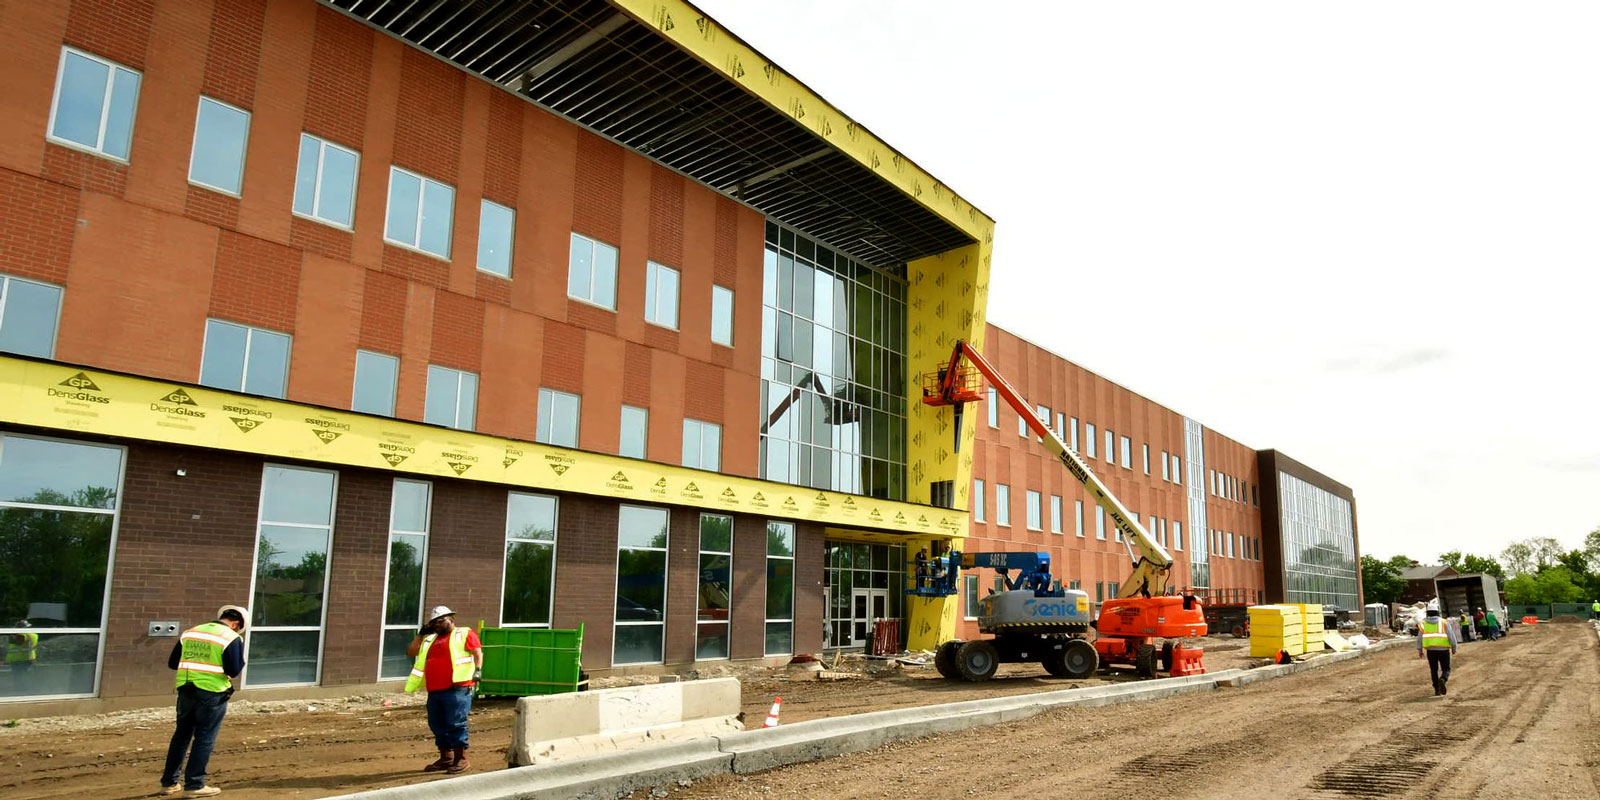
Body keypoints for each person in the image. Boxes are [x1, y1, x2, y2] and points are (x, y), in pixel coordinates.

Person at [160, 605, 247, 798]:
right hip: (212, 692)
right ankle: (195, 784)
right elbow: (233, 669)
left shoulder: (190, 632)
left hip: (185, 690)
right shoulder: (231, 637)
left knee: (181, 736)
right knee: (204, 737)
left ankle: (169, 783)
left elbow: (173, 663)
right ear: (236, 624)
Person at [405, 606, 483, 774]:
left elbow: (477, 652)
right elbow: (411, 652)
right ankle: (446, 757)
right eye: (434, 623)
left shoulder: (463, 633)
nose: (438, 625)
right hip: (435, 689)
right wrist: (421, 634)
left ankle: (461, 758)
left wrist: (478, 670)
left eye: (441, 621)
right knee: (437, 723)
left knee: (456, 722)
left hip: (457, 688)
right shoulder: (429, 639)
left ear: (451, 620)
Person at [1417, 601, 1458, 696]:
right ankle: (1443, 679)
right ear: (1437, 612)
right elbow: (1451, 636)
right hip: (1443, 650)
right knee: (1446, 669)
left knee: (1433, 670)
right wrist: (1454, 647)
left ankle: (1437, 689)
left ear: (1427, 612)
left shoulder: (1423, 623)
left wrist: (1419, 649)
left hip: (1431, 651)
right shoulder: (1444, 622)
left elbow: (1419, 638)